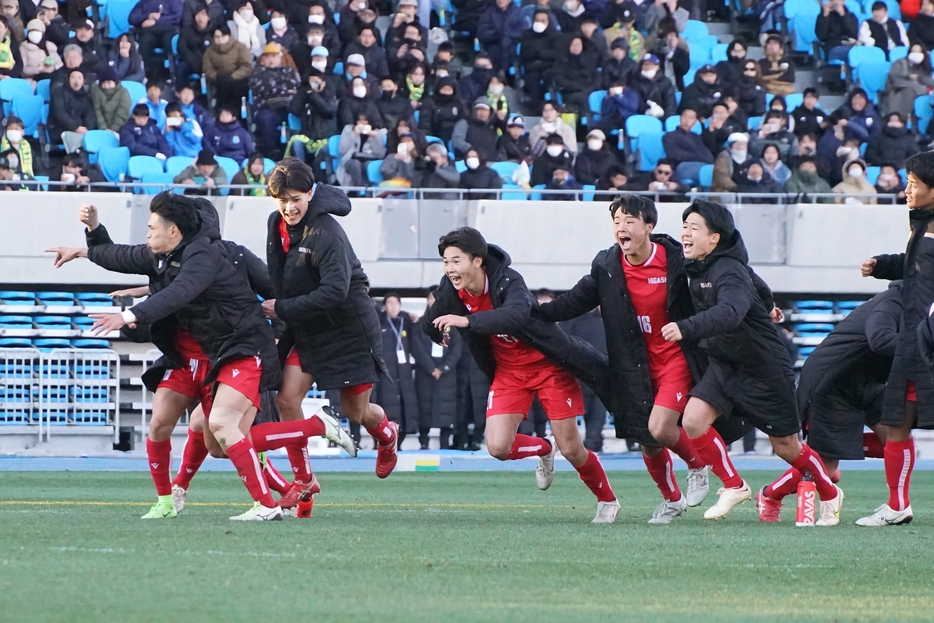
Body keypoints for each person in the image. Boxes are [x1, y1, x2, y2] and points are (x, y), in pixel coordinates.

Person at [48, 197, 354, 521]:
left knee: (224, 435)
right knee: (175, 427)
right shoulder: (167, 256)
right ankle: (171, 498)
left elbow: (188, 290)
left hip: (235, 350)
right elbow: (126, 258)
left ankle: (278, 486)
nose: (148, 232)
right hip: (190, 357)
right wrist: (89, 240)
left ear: (180, 229)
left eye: (153, 226)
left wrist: (129, 313)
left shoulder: (214, 253)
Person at [539, 195, 725, 523]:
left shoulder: (675, 260)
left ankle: (697, 465)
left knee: (660, 426)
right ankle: (672, 500)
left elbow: (723, 282)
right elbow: (573, 301)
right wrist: (531, 314)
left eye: (629, 221)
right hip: (635, 364)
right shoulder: (607, 266)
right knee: (647, 440)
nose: (621, 227)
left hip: (675, 358)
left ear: (648, 227)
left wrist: (761, 304)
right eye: (616, 221)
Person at [660, 200, 844, 524]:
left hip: (764, 368)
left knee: (787, 448)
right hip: (725, 363)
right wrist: (769, 307)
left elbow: (730, 312)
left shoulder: (726, 270)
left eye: (693, 228)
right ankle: (734, 485)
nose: (685, 234)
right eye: (684, 226)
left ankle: (829, 492)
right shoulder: (702, 266)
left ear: (714, 239)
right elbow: (758, 285)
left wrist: (686, 327)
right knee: (692, 421)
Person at [423, 227, 621, 523]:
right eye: (446, 262)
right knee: (498, 448)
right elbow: (433, 318)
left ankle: (607, 500)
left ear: (477, 260)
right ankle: (544, 448)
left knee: (573, 449)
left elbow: (516, 314)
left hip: (548, 367)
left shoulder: (508, 279)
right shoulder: (451, 287)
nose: (450, 269)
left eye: (456, 261)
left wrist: (465, 320)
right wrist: (436, 332)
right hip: (508, 372)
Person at [263, 158, 400, 484]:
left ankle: (387, 435)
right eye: (282, 201)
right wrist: (282, 325)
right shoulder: (275, 223)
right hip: (308, 326)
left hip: (348, 328)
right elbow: (280, 284)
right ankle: (304, 480)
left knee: (357, 413)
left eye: (295, 199)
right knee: (286, 399)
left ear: (310, 194)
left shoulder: (327, 232)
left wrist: (282, 309)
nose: (289, 207)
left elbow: (335, 293)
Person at [757, 282, 901, 521]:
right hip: (833, 383)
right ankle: (770, 494)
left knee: (897, 441)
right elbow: (882, 341)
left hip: (869, 382)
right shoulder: (894, 302)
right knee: (825, 467)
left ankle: (898, 505)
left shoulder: (918, 304)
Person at [855, 152, 934, 526]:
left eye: (914, 184)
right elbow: (915, 268)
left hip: (926, 342)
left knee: (900, 419)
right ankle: (897, 505)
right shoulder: (922, 225)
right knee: (898, 420)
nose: (906, 190)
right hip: (915, 342)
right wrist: (883, 265)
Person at [412, 288, 461, 449]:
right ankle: (424, 442)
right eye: (431, 298)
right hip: (425, 372)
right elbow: (416, 347)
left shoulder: (451, 323)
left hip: (446, 374)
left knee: (447, 408)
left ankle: (445, 443)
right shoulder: (420, 323)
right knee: (424, 406)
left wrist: (443, 368)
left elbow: (456, 349)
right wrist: (431, 368)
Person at [373, 293, 420, 446]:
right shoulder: (379, 323)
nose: (393, 306)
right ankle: (382, 443)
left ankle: (399, 442)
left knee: (406, 408)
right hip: (386, 374)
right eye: (389, 303)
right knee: (386, 408)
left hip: (404, 374)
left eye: (396, 303)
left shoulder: (406, 322)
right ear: (384, 306)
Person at [249, 42, 299, 160]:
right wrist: (284, 89)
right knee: (266, 119)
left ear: (280, 57)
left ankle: (295, 150)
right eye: (268, 56)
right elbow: (265, 89)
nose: (271, 59)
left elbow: (296, 86)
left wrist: (278, 89)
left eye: (274, 56)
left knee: (296, 116)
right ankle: (273, 151)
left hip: (288, 106)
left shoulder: (289, 71)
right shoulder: (258, 73)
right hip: (266, 107)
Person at [202, 23, 253, 111]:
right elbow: (207, 68)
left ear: (229, 35)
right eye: (217, 37)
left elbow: (246, 66)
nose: (220, 39)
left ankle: (227, 109)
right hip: (219, 79)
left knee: (236, 86)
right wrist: (216, 76)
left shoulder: (240, 47)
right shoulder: (209, 51)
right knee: (223, 79)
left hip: (238, 78)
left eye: (223, 36)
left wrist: (233, 77)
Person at [48, 68, 96, 153]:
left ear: (83, 81)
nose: (76, 80)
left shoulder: (85, 97)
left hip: (80, 131)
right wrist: (75, 127)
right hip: (59, 130)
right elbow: (59, 113)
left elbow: (90, 115)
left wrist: (87, 129)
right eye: (73, 77)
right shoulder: (58, 93)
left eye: (79, 78)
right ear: (68, 79)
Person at [883, 45, 934, 121]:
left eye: (918, 52)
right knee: (907, 90)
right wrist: (910, 78)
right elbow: (896, 81)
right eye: (913, 51)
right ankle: (900, 119)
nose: (916, 54)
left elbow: (931, 82)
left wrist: (919, 78)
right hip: (897, 91)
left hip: (919, 93)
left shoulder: (925, 66)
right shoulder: (900, 63)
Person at [128, 0, 182, 71]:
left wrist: (156, 21)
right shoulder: (145, 2)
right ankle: (147, 74)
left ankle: (171, 73)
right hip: (150, 33)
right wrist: (148, 16)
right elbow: (132, 18)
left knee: (169, 41)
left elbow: (178, 16)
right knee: (144, 42)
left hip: (168, 30)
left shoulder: (173, 1)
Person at [553, 35, 601, 115]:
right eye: (573, 45)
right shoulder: (562, 60)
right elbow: (559, 80)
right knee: (580, 98)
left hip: (587, 90)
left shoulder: (589, 59)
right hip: (569, 92)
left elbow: (596, 76)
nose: (576, 47)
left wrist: (591, 87)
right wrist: (577, 87)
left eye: (578, 45)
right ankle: (587, 123)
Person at [519, 10, 560, 103]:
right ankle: (536, 106)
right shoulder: (527, 35)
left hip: (549, 67)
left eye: (543, 20)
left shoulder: (556, 35)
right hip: (532, 67)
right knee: (532, 79)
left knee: (549, 76)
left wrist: (540, 53)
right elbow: (524, 55)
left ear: (549, 21)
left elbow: (557, 54)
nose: (539, 23)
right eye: (537, 20)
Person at [289, 70, 339, 146]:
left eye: (316, 82)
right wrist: (303, 93)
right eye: (311, 82)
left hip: (325, 138)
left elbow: (329, 112)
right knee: (296, 143)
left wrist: (315, 96)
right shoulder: (305, 95)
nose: (313, 85)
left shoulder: (329, 96)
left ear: (323, 83)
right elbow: (294, 110)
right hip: (308, 137)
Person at [663, 108, 714, 183]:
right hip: (682, 167)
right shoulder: (669, 136)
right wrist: (697, 156)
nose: (687, 120)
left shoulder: (696, 137)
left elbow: (707, 155)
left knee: (716, 171)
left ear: (695, 122)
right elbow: (675, 155)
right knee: (710, 173)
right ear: (680, 118)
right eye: (685, 116)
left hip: (702, 165)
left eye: (691, 118)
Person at [336, 112, 386, 187]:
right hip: (350, 159)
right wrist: (353, 134)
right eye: (359, 120)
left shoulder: (376, 132)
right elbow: (342, 150)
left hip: (368, 159)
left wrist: (376, 138)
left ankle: (367, 190)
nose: (362, 123)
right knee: (355, 164)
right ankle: (358, 189)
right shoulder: (348, 129)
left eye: (365, 121)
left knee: (368, 165)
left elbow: (380, 154)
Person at [476, 0, 524, 73]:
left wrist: (508, 36)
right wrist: (498, 35)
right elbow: (482, 32)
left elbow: (522, 32)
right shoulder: (489, 13)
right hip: (493, 48)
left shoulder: (519, 13)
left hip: (512, 49)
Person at [418, 76, 463, 144]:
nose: (446, 92)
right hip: (435, 139)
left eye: (449, 90)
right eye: (444, 89)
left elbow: (464, 122)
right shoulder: (430, 103)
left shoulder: (459, 103)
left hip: (455, 139)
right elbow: (425, 125)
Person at [630, 54, 676, 119]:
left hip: (662, 118)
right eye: (645, 64)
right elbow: (636, 101)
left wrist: (663, 117)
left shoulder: (665, 82)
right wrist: (647, 111)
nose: (647, 67)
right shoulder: (636, 81)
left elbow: (670, 104)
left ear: (657, 67)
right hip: (642, 117)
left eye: (650, 64)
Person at [177, 4, 213, 76]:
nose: (200, 18)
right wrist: (192, 60)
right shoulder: (186, 30)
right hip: (191, 61)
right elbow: (181, 47)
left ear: (208, 17)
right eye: (197, 14)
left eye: (203, 14)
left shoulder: (214, 31)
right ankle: (183, 87)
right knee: (181, 67)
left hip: (210, 62)